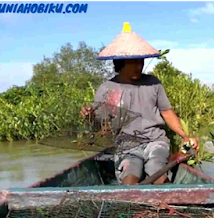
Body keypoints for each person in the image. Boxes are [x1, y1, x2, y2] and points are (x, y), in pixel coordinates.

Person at [80, 22, 198, 185]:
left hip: (155, 141)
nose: (138, 66)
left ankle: (165, 200)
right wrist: (90, 116)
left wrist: (185, 136)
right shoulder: (107, 88)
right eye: (133, 62)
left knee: (157, 172)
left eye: (140, 61)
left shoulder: (153, 83)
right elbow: (99, 122)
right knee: (130, 176)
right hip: (126, 145)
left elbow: (167, 112)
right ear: (120, 63)